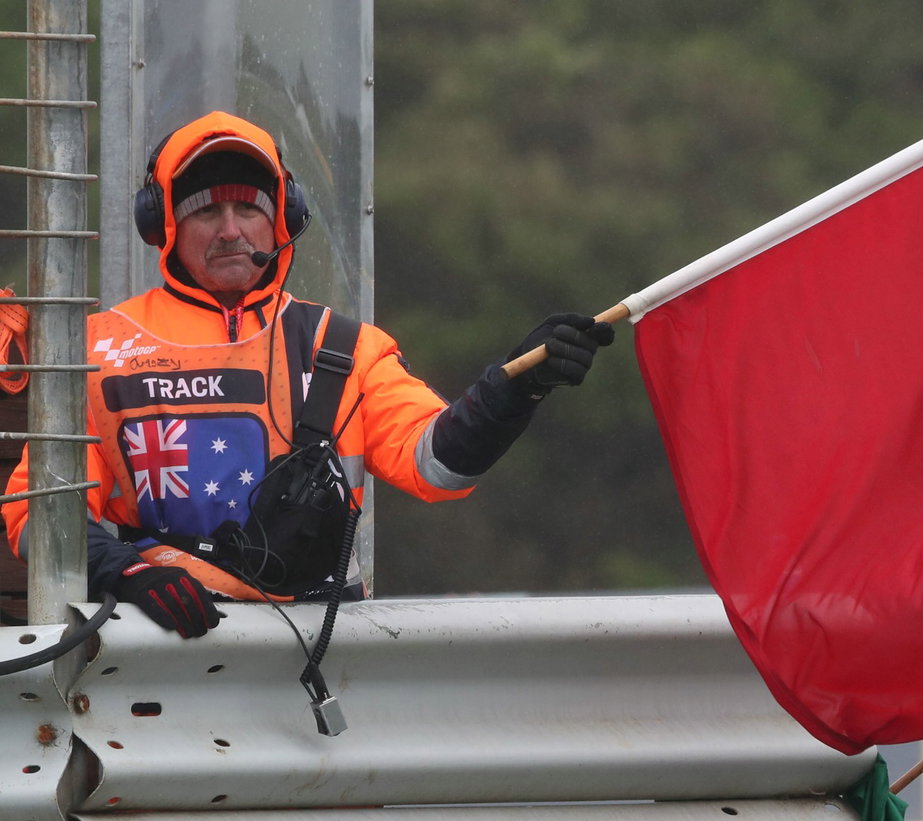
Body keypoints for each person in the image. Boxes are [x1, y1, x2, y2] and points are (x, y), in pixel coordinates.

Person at [3, 111, 613, 638]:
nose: (230, 229)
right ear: (161, 225)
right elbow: (36, 514)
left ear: (283, 217)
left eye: (248, 206)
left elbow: (436, 467)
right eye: (204, 210)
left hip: (323, 651)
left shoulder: (346, 347)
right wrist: (127, 572)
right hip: (166, 653)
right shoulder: (94, 349)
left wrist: (513, 390)